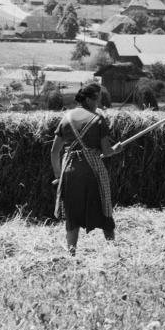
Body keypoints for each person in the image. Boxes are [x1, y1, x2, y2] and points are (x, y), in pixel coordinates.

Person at [50, 83, 121, 256]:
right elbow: (106, 151)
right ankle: (112, 250)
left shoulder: (66, 118)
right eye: (98, 99)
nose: (99, 103)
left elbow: (54, 152)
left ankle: (71, 253)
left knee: (72, 213)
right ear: (89, 99)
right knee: (104, 208)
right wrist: (116, 149)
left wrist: (59, 177)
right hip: (92, 171)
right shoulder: (98, 120)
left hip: (69, 171)